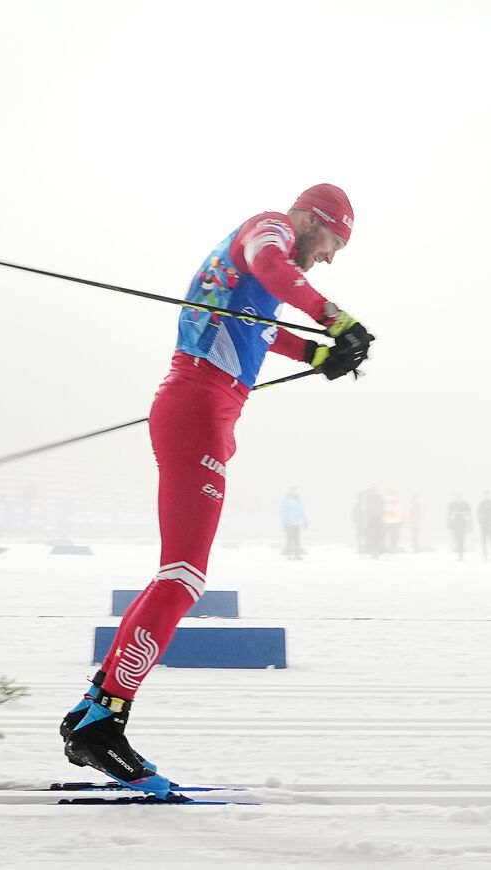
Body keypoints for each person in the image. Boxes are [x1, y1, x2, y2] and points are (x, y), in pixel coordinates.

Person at [61, 184, 372, 797]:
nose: (332, 256)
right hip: (199, 403)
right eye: (335, 240)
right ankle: (103, 720)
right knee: (182, 575)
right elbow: (271, 269)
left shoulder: (267, 255)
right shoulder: (269, 231)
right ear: (311, 219)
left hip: (209, 406)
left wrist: (319, 352)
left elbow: (258, 328)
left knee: (181, 574)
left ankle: (97, 708)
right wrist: (338, 320)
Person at [281, 486, 307, 560]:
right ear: (289, 491)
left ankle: (297, 555)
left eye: (295, 490)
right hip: (289, 524)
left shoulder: (298, 499)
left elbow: (302, 510)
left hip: (297, 523)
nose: (294, 492)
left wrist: (305, 520)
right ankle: (289, 555)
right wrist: (284, 522)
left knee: (297, 540)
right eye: (292, 490)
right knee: (289, 540)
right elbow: (283, 512)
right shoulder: (286, 500)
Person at [447, 494, 472, 560]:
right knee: (457, 539)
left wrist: (464, 514)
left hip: (463, 524)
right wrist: (453, 516)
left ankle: (461, 554)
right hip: (455, 525)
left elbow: (469, 513)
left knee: (462, 539)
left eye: (460, 497)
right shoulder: (452, 504)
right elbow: (449, 514)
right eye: (457, 497)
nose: (458, 498)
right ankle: (459, 553)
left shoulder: (465, 504)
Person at [477, 491, 491, 561]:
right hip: (484, 525)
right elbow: (478, 513)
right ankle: (485, 555)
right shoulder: (481, 504)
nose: (487, 496)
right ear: (484, 495)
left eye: (488, 495)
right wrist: (481, 521)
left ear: (490, 495)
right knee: (484, 541)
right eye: (485, 495)